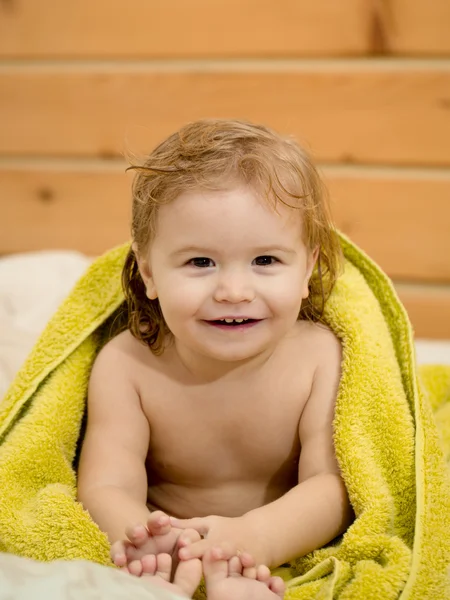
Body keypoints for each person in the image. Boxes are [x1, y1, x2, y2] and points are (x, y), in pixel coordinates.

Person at [77, 119, 353, 596]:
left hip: (280, 547)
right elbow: (106, 486)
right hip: (168, 549)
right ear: (149, 273)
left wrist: (255, 539)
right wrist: (147, 540)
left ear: (307, 267)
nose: (233, 292)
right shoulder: (128, 366)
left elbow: (330, 487)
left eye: (266, 260)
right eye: (200, 262)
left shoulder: (317, 356)